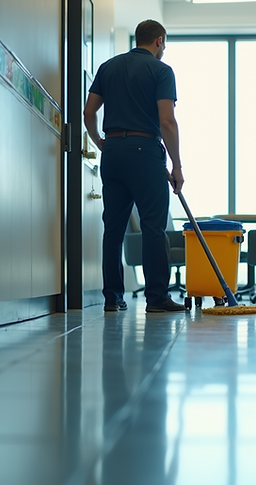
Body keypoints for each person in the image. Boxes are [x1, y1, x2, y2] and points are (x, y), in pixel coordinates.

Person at [83, 19, 186, 313]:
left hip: (113, 152)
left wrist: (100, 141)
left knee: (113, 228)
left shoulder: (108, 67)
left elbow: (89, 111)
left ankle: (112, 298)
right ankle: (157, 298)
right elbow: (166, 120)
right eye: (164, 44)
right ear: (159, 41)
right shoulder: (161, 71)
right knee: (153, 226)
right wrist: (177, 165)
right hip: (145, 152)